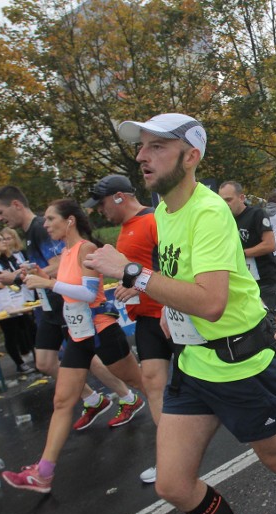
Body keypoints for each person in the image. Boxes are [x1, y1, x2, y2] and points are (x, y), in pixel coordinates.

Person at [86, 112, 276, 514]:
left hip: (239, 363)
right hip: (191, 364)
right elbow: (178, 275)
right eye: (142, 147)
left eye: (156, 147)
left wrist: (129, 271)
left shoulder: (208, 212)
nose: (142, 156)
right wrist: (170, 310)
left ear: (191, 157)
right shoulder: (166, 209)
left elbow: (211, 302)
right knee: (172, 483)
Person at [1, 199, 145, 493]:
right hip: (79, 335)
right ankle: (43, 473)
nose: (46, 224)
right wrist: (44, 277)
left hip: (102, 330)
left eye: (51, 219)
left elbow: (89, 292)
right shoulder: (65, 253)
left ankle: (178, 428)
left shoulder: (87, 250)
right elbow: (69, 290)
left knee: (144, 384)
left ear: (69, 221)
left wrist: (49, 285)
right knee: (62, 401)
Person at [85, 174, 172, 484]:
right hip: (147, 320)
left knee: (207, 385)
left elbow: (176, 264)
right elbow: (133, 271)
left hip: (172, 314)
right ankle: (171, 462)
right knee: (153, 385)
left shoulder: (152, 219)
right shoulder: (123, 230)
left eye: (102, 202)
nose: (99, 210)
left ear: (120, 197)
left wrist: (138, 288)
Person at [218, 181, 276, 315]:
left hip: (265, 282)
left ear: (241, 198)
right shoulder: (223, 220)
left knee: (274, 324)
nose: (225, 204)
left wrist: (241, 254)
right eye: (221, 201)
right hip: (243, 284)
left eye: (229, 200)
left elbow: (270, 244)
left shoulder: (256, 214)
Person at [0, 231, 35, 374]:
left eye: (4, 239)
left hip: (18, 302)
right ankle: (20, 363)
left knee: (29, 329)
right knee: (12, 335)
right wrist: (13, 276)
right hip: (3, 306)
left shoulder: (7, 260)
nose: (4, 241)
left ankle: (37, 358)